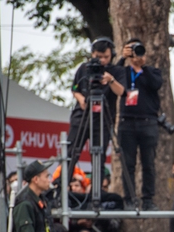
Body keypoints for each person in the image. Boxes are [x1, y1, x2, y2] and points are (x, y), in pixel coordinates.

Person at [67, 38, 125, 187]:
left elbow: (122, 92)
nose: (103, 60)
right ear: (93, 54)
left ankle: (96, 193)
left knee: (98, 157)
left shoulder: (116, 71)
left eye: (106, 57)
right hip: (82, 116)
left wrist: (111, 80)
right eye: (99, 57)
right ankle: (62, 190)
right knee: (71, 153)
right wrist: (80, 99)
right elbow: (74, 88)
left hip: (102, 120)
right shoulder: (84, 68)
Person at [118, 38, 163, 211]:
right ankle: (129, 199)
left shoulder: (151, 71)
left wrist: (142, 66)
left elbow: (156, 84)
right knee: (128, 164)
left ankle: (148, 200)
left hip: (148, 123)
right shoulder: (123, 71)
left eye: (139, 50)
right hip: (127, 123)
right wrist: (123, 59)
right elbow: (113, 77)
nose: (137, 54)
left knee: (148, 164)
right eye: (133, 50)